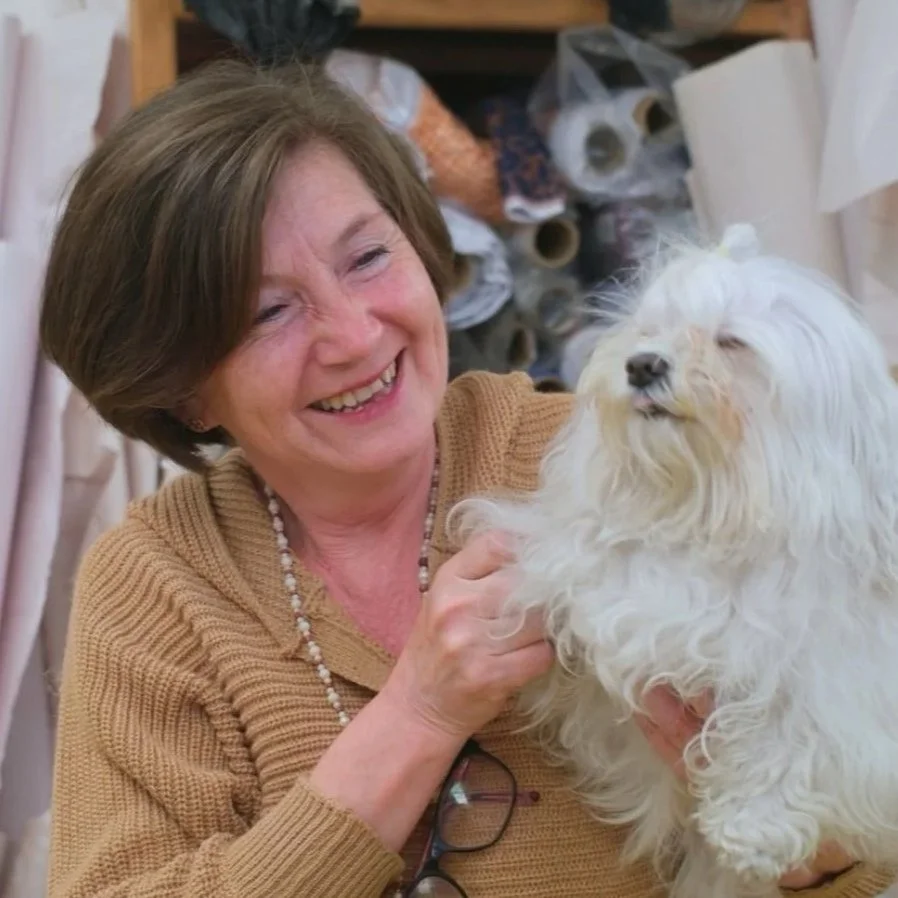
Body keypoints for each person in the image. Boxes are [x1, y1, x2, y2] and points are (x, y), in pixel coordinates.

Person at [39, 60, 890, 898]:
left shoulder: (629, 461)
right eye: (269, 311)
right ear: (184, 390)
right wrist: (418, 713)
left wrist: (815, 860)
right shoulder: (156, 588)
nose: (354, 334)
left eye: (367, 257)